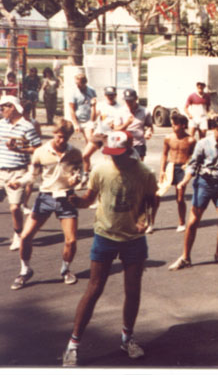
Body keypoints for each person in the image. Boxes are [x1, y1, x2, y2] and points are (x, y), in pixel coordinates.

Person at [61, 131, 158, 367]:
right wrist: (77, 202)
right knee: (94, 288)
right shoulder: (101, 170)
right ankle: (73, 345)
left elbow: (152, 199)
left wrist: (147, 219)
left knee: (133, 290)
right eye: (110, 154)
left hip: (133, 240)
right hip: (105, 236)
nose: (113, 158)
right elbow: (89, 199)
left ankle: (127, 338)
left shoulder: (144, 173)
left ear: (128, 150)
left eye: (118, 154)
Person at [10, 120, 83, 290]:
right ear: (53, 134)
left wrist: (77, 179)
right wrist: (18, 183)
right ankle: (25, 270)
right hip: (45, 198)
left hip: (66, 198)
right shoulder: (40, 152)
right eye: (58, 137)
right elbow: (31, 176)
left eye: (65, 138)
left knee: (71, 241)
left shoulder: (75, 153)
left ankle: (65, 270)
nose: (61, 141)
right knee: (26, 236)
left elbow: (81, 173)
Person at [168, 117, 218, 270]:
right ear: (213, 129)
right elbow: (193, 165)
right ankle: (185, 257)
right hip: (204, 184)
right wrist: (185, 181)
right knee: (192, 223)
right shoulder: (202, 144)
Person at [0, 94, 42, 251]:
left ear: (13, 107)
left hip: (18, 172)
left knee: (15, 207)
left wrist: (18, 149)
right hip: (0, 170)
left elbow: (37, 148)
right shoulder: (1, 124)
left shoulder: (27, 126)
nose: (1, 110)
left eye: (4, 107)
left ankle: (18, 234)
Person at [157, 113, 195, 233]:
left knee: (180, 197)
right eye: (172, 124)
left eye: (175, 125)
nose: (173, 127)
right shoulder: (168, 138)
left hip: (182, 169)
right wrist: (162, 170)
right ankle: (151, 223)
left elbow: (193, 156)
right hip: (170, 167)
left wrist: (188, 164)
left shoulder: (191, 140)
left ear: (183, 125)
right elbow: (164, 154)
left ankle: (181, 222)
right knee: (158, 195)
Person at [81, 86, 123, 186]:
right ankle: (85, 175)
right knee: (85, 155)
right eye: (108, 95)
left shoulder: (120, 108)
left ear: (116, 95)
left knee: (108, 160)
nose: (110, 97)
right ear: (105, 95)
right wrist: (93, 107)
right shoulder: (100, 105)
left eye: (112, 95)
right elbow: (93, 118)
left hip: (111, 136)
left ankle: (108, 180)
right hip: (99, 133)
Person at [115, 89, 153, 160]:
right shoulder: (120, 111)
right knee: (124, 167)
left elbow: (149, 126)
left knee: (139, 167)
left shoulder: (145, 111)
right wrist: (127, 123)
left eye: (131, 100)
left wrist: (148, 132)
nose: (129, 103)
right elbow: (116, 129)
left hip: (139, 144)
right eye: (127, 101)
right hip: (124, 144)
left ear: (136, 98)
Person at [67, 72, 96, 145]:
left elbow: (94, 106)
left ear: (84, 83)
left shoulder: (91, 90)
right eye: (76, 83)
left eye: (79, 84)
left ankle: (86, 156)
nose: (77, 85)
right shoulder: (73, 92)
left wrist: (92, 120)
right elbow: (71, 109)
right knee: (65, 137)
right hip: (77, 119)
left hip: (88, 120)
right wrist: (75, 123)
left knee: (90, 140)